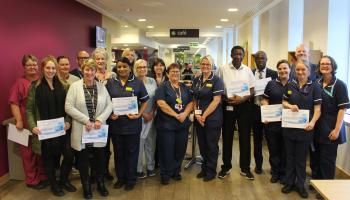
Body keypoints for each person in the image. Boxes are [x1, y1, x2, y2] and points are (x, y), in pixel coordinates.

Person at [65, 58, 112, 199]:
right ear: (82, 70)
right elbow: (68, 107)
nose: (89, 72)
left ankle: (100, 182)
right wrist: (86, 120)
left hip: (97, 130)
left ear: (95, 71)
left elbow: (109, 105)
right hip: (82, 129)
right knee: (83, 160)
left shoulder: (101, 87)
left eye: (92, 69)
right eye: (87, 69)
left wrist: (100, 119)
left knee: (99, 158)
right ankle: (86, 185)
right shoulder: (75, 87)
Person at [26, 55, 73, 197]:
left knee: (69, 156)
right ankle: (54, 185)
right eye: (48, 68)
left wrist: (68, 121)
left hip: (61, 130)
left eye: (53, 68)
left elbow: (69, 107)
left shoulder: (65, 86)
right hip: (45, 132)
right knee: (49, 160)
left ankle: (63, 180)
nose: (51, 70)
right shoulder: (35, 87)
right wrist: (32, 126)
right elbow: (28, 110)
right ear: (43, 69)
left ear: (56, 69)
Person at [106, 57, 149, 191]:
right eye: (119, 67)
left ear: (130, 68)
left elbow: (145, 101)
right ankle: (121, 178)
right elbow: (106, 101)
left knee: (132, 153)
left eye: (125, 66)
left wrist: (139, 114)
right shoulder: (111, 82)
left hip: (132, 125)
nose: (122, 69)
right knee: (118, 153)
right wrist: (110, 114)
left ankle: (131, 179)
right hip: (116, 125)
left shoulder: (137, 83)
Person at [281, 59, 322, 198]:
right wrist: (289, 106)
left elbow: (317, 109)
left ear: (309, 71)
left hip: (305, 129)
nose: (300, 72)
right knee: (290, 157)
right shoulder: (290, 84)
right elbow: (284, 101)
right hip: (290, 128)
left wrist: (313, 122)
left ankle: (300, 185)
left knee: (300, 158)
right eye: (297, 69)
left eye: (303, 69)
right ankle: (289, 182)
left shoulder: (315, 86)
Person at [8, 54, 48, 190]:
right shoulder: (19, 83)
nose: (32, 67)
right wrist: (19, 120)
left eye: (34, 64)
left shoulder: (42, 80)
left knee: (42, 151)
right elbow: (14, 103)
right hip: (25, 124)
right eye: (29, 65)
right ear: (24, 67)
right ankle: (32, 180)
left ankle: (43, 176)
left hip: (42, 123)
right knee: (28, 153)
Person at [313, 56, 350, 199]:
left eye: (328, 64)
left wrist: (336, 129)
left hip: (330, 129)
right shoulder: (316, 83)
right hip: (317, 128)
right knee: (316, 158)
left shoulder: (339, 85)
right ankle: (317, 183)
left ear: (333, 66)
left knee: (327, 161)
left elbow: (342, 109)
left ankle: (326, 189)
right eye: (322, 64)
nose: (325, 66)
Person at [217, 45, 255, 180]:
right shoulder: (223, 69)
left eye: (240, 54)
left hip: (244, 106)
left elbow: (252, 90)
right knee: (227, 137)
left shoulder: (248, 70)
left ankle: (245, 168)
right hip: (228, 106)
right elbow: (218, 87)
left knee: (245, 137)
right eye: (235, 54)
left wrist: (242, 99)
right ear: (231, 55)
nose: (238, 56)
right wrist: (225, 98)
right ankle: (226, 167)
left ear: (243, 56)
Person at [154, 63, 193, 185]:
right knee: (166, 150)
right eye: (172, 72)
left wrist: (185, 114)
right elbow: (161, 103)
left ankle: (176, 171)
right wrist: (176, 115)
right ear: (167, 74)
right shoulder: (162, 87)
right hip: (166, 125)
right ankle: (165, 173)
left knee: (180, 149)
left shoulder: (184, 87)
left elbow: (191, 102)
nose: (175, 73)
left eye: (177, 71)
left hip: (182, 125)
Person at [192, 55, 224, 181]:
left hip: (212, 119)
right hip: (199, 117)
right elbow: (194, 98)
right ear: (200, 65)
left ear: (212, 66)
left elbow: (216, 101)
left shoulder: (217, 80)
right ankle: (204, 168)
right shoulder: (196, 79)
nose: (205, 66)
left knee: (211, 145)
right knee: (202, 144)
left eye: (208, 64)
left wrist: (203, 116)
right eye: (203, 64)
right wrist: (196, 113)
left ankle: (211, 171)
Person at [261, 59, 290, 183]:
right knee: (273, 149)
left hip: (289, 124)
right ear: (277, 70)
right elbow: (264, 100)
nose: (282, 71)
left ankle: (284, 173)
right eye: (280, 69)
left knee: (286, 150)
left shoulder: (294, 84)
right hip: (272, 124)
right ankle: (275, 172)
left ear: (289, 70)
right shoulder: (271, 84)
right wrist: (266, 111)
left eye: (285, 68)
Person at [251, 51, 278, 174]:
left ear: (267, 59)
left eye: (263, 58)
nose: (260, 60)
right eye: (258, 58)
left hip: (269, 112)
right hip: (254, 111)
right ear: (255, 60)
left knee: (272, 140)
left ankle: (274, 167)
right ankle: (258, 165)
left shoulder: (274, 74)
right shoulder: (250, 73)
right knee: (257, 140)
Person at [91, 47, 115, 180]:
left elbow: (116, 96)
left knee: (106, 146)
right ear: (93, 60)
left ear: (106, 60)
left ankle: (105, 170)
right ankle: (94, 172)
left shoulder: (113, 76)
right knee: (95, 146)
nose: (100, 61)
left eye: (102, 58)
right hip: (94, 116)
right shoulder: (90, 75)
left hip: (110, 116)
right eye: (97, 58)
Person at [133, 59, 158, 179]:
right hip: (138, 117)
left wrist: (152, 112)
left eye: (144, 67)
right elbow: (132, 102)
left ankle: (150, 167)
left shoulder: (152, 81)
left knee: (150, 142)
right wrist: (143, 114)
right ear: (135, 69)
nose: (142, 69)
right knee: (139, 143)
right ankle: (138, 169)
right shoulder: (132, 82)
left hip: (152, 116)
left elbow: (156, 99)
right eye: (139, 67)